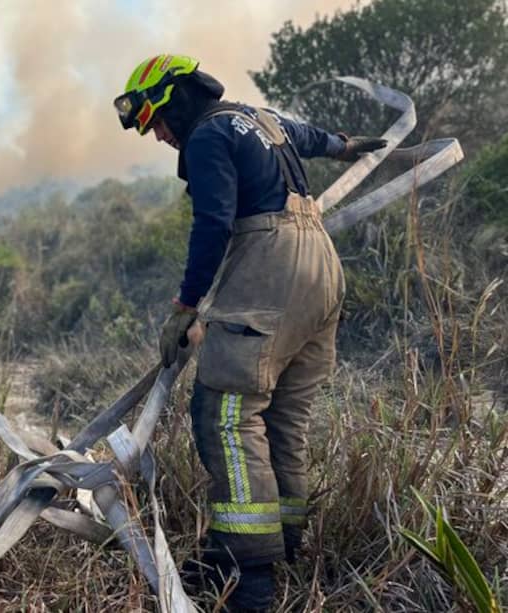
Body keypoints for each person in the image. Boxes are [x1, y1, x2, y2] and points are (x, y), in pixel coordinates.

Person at [114, 55, 386, 611]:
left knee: (226, 414)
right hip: (323, 269)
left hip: (273, 268)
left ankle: (249, 580)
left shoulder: (207, 136)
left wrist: (185, 307)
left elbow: (213, 222)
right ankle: (281, 544)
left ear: (177, 100)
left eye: (157, 122)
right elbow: (309, 136)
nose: (160, 136)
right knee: (283, 419)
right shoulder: (259, 118)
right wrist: (343, 144)